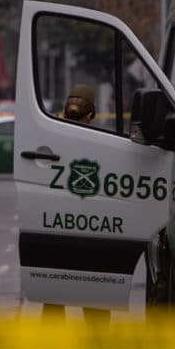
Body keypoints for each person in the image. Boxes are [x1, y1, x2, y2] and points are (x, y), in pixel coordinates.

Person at [43, 83, 111, 324]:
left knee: (54, 288)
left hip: (57, 224)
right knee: (95, 289)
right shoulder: (105, 143)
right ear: (92, 114)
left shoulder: (49, 138)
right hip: (92, 227)